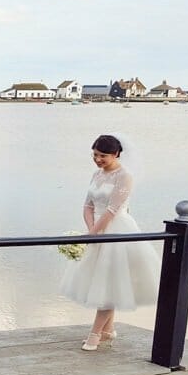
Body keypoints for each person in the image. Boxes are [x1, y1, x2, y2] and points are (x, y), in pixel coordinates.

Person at [60, 135, 160, 351]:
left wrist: (95, 234)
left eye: (102, 156)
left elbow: (113, 209)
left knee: (109, 281)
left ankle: (95, 334)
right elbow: (87, 205)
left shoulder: (124, 176)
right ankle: (108, 330)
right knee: (106, 282)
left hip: (117, 231)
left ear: (116, 154)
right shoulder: (96, 174)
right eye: (95, 155)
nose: (97, 159)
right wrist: (90, 230)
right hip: (97, 229)